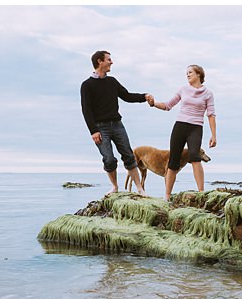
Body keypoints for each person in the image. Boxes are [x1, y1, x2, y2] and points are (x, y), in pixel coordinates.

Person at [80, 50, 153, 194]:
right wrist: (93, 130)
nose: (111, 62)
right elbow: (86, 110)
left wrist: (144, 96)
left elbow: (127, 96)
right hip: (100, 129)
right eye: (109, 59)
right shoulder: (87, 85)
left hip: (117, 125)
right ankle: (115, 187)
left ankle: (139, 189)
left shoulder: (112, 81)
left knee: (128, 155)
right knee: (109, 159)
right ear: (99, 61)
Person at [149, 64, 217, 199]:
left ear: (199, 74)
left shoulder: (208, 93)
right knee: (173, 161)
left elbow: (211, 115)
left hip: (196, 128)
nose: (187, 75)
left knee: (195, 157)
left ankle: (201, 193)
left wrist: (214, 135)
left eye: (190, 72)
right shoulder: (183, 89)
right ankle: (167, 196)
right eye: (186, 73)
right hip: (180, 126)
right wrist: (153, 103)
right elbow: (168, 105)